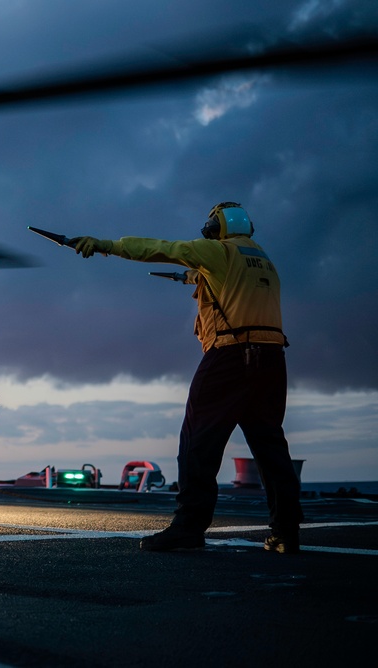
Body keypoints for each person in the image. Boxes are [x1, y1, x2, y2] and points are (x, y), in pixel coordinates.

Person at [71, 202, 303, 553]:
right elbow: (230, 285)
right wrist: (193, 278)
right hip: (272, 359)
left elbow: (161, 248)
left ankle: (188, 529)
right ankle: (286, 532)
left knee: (198, 442)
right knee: (270, 446)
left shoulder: (217, 251)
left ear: (214, 228)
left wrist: (105, 245)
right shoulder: (262, 259)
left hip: (231, 355)